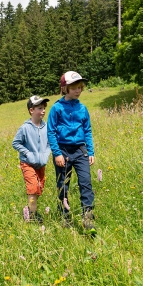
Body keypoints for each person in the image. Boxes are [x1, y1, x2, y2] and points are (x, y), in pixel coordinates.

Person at [47, 71, 96, 233]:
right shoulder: (57, 108)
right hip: (63, 151)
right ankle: (64, 216)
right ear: (64, 88)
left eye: (80, 87)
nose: (78, 90)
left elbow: (87, 130)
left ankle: (88, 217)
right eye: (74, 87)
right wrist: (57, 153)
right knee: (63, 185)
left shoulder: (83, 108)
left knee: (86, 183)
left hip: (80, 150)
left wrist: (91, 151)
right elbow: (51, 132)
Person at [12, 96, 51, 223]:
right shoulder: (25, 128)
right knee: (33, 187)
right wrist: (27, 153)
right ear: (31, 110)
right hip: (27, 163)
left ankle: (31, 210)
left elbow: (50, 143)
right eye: (40, 108)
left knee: (39, 189)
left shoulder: (47, 127)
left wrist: (46, 153)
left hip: (41, 163)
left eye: (44, 108)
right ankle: (33, 217)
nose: (43, 110)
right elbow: (16, 143)